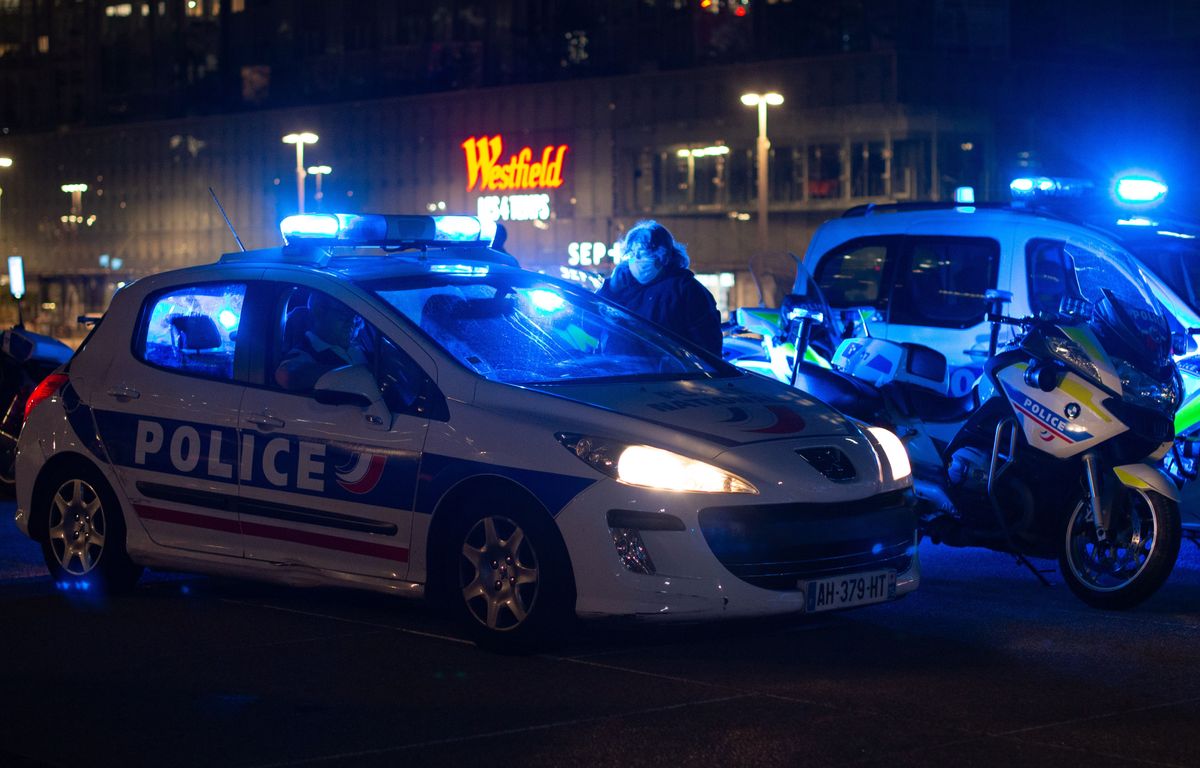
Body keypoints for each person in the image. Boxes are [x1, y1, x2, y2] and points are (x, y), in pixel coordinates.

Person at [597, 220, 722, 355]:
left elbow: (709, 347)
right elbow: (590, 324)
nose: (636, 259)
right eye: (632, 254)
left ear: (664, 255)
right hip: (618, 371)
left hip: (667, 374)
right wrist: (609, 289)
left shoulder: (688, 290)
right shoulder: (621, 286)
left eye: (644, 252)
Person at [275, 292, 371, 391]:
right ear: (319, 311)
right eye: (344, 313)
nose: (352, 322)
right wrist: (361, 374)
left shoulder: (363, 344)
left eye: (356, 316)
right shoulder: (304, 352)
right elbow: (286, 375)